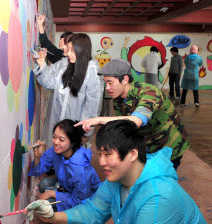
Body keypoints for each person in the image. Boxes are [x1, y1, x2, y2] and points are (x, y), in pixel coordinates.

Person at [26, 120, 206, 224]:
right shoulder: (116, 180)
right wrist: (51, 216)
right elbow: (93, 211)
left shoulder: (158, 198)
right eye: (100, 154)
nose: (102, 162)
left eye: (108, 154)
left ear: (133, 154)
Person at [75, 58, 188, 170]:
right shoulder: (118, 98)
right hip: (147, 145)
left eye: (110, 83)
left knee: (160, 182)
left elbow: (135, 121)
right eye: (106, 83)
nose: (107, 88)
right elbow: (124, 126)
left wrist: (99, 120)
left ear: (125, 79)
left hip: (169, 146)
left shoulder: (149, 92)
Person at [33, 33, 104, 149]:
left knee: (72, 160)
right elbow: (50, 83)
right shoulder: (68, 65)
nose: (68, 53)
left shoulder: (92, 72)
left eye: (72, 50)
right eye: (68, 49)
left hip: (77, 129)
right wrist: (42, 65)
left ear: (81, 50)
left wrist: (85, 132)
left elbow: (92, 107)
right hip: (61, 124)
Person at [28, 119, 102, 212]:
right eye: (54, 137)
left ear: (72, 142)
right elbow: (37, 171)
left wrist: (52, 193)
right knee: (44, 184)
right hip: (68, 189)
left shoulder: (79, 167)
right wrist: (38, 157)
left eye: (61, 139)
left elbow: (79, 200)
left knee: (47, 206)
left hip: (86, 199)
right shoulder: (56, 151)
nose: (55, 142)